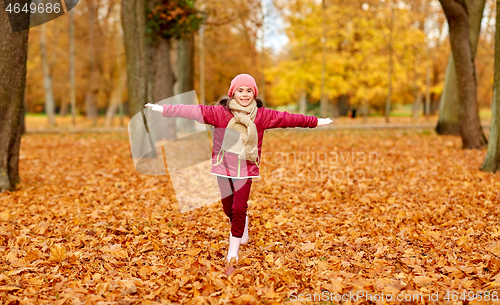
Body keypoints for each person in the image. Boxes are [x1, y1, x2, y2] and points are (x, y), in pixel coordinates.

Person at [145, 74, 333, 264]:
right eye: (240, 91)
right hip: (222, 168)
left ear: (254, 93)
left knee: (238, 207)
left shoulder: (262, 115)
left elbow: (289, 119)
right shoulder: (219, 113)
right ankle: (242, 222)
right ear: (233, 93)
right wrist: (163, 109)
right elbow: (192, 111)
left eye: (249, 91)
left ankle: (232, 252)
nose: (244, 95)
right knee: (229, 209)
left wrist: (315, 122)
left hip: (246, 168)